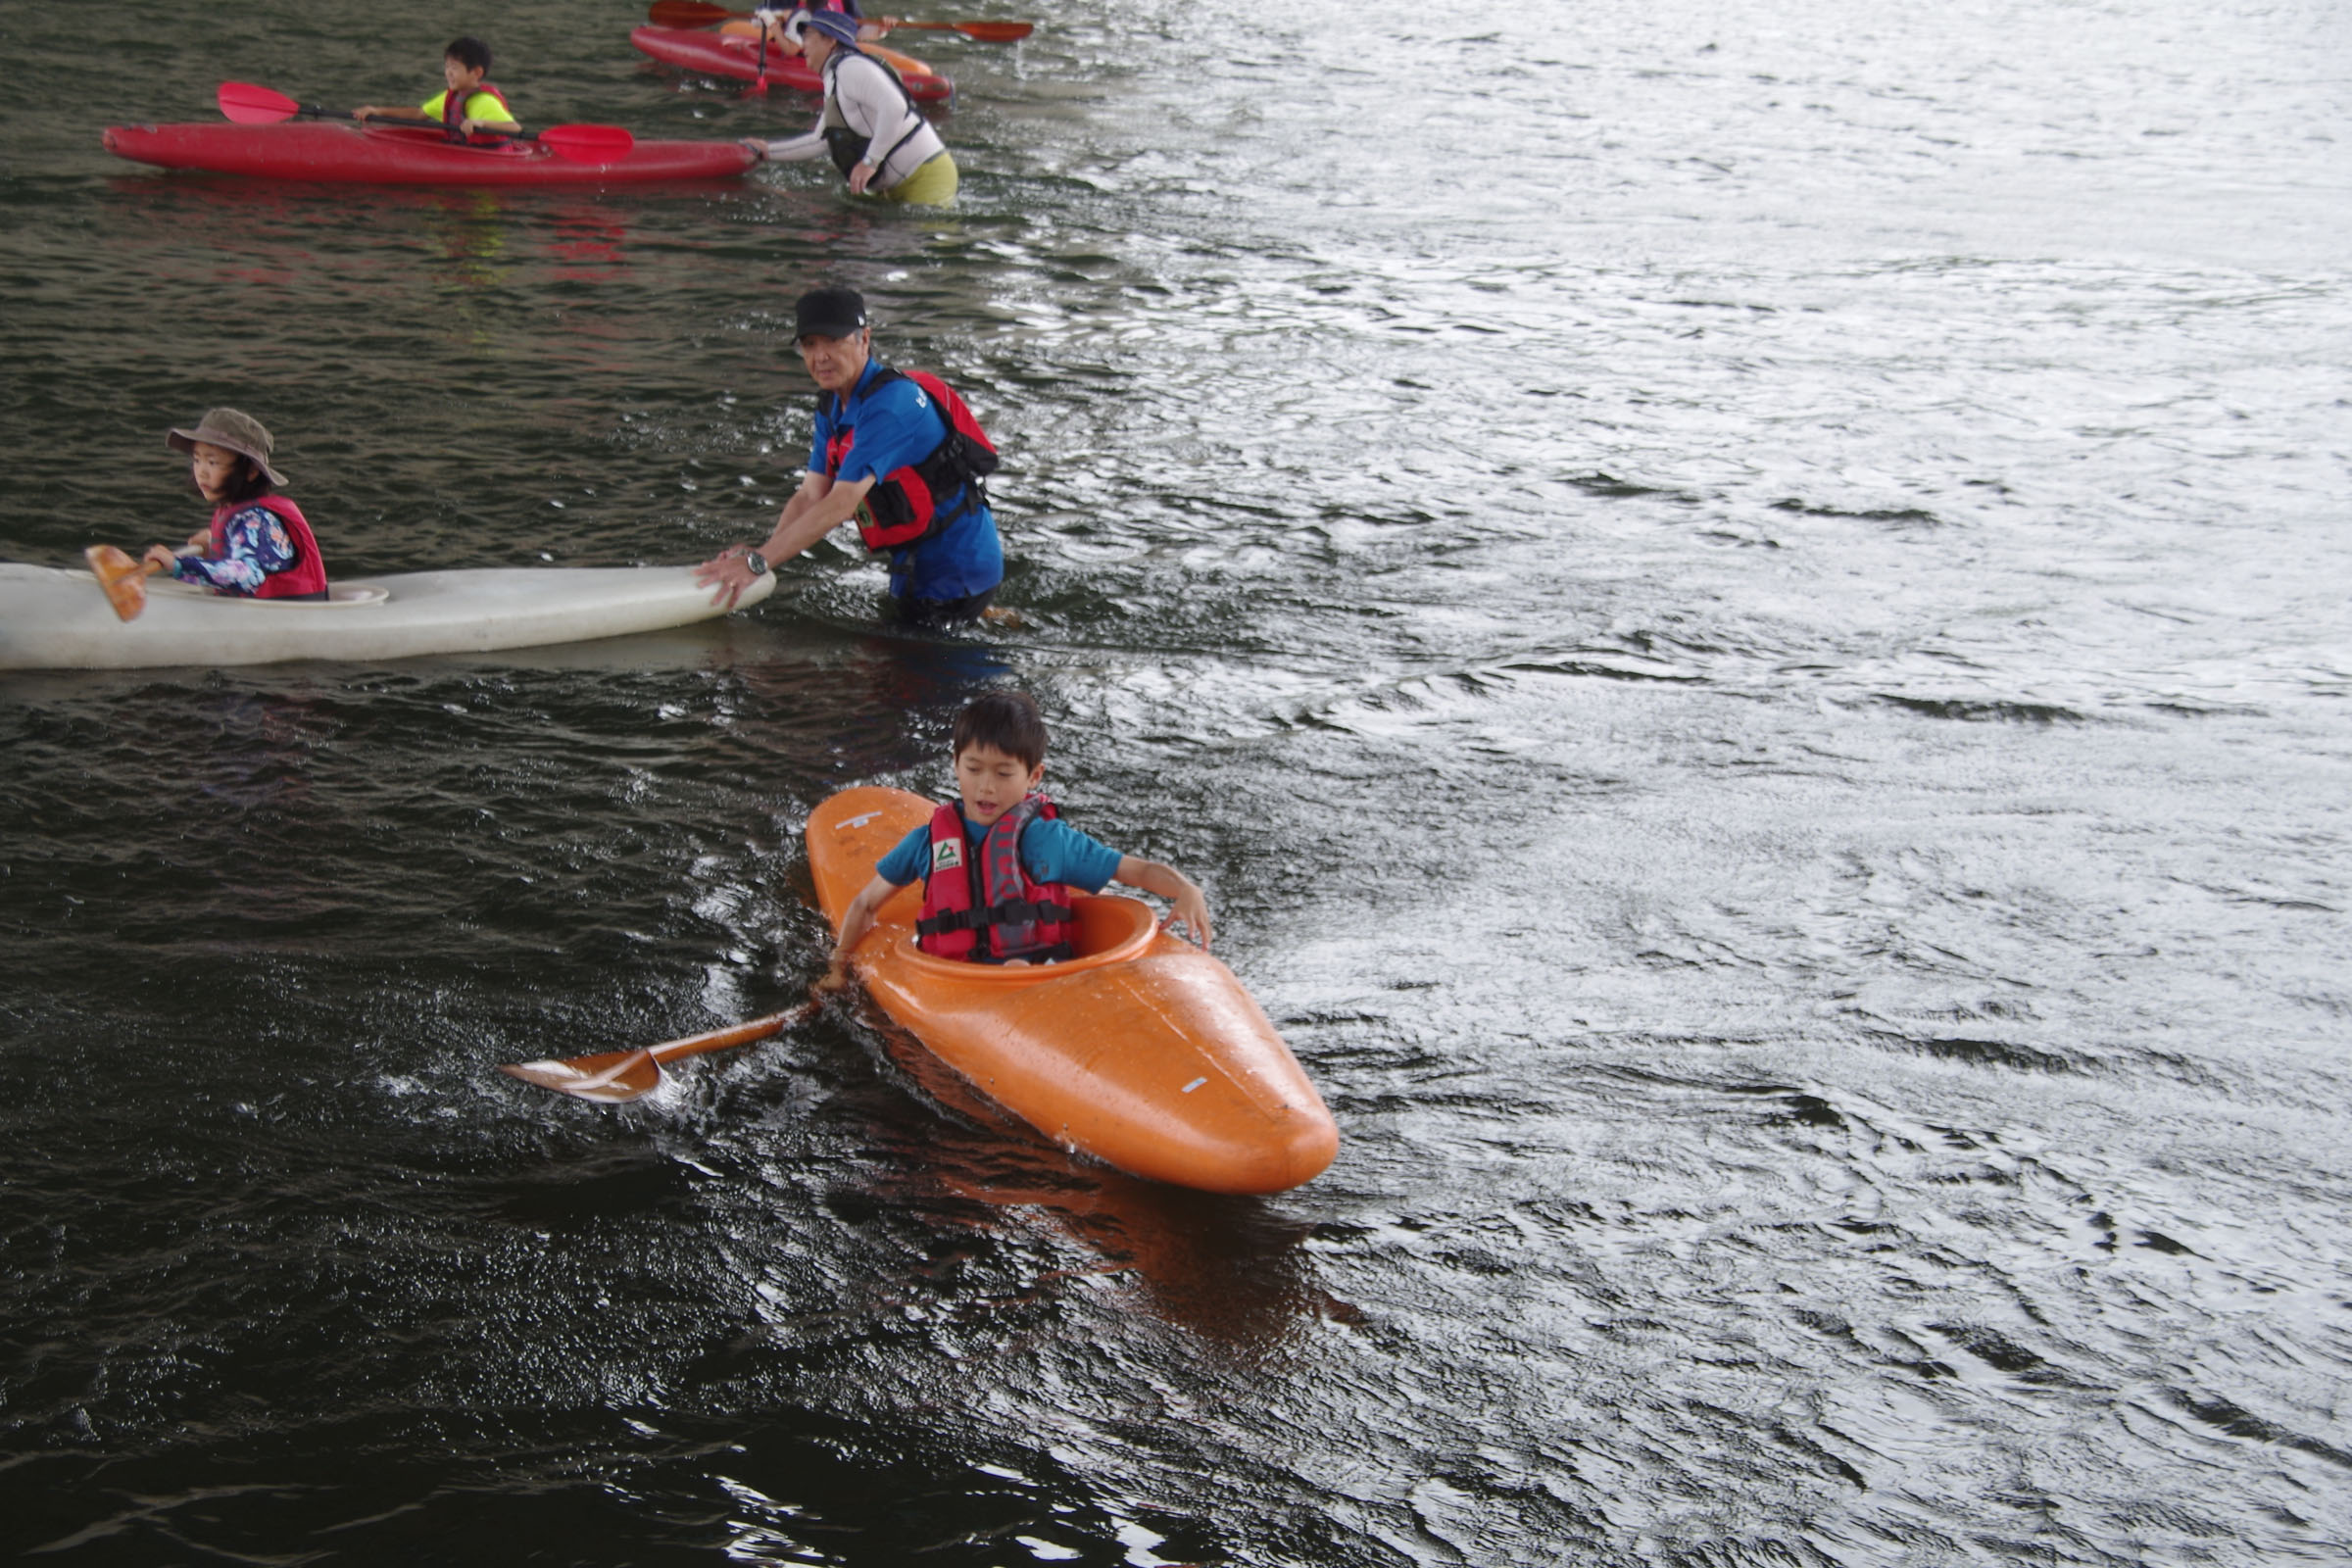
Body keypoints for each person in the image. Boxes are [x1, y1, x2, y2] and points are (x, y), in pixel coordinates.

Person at [831, 693, 1213, 969]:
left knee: (1019, 968)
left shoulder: (1047, 840)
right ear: (955, 764)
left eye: (1003, 773)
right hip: (952, 980)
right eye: (973, 768)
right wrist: (838, 966)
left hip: (1036, 976)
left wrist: (1185, 889)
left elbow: (1136, 870)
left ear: (1033, 776)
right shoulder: (927, 843)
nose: (986, 787)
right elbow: (866, 903)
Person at [698, 285, 1004, 626]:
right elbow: (811, 495)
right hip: (918, 560)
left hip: (957, 568)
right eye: (809, 344)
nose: (820, 356)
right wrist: (760, 555)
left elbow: (842, 502)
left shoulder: (890, 406)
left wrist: (758, 563)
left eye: (833, 341)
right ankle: (990, 616)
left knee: (892, 674)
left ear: (864, 339)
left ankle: (981, 617)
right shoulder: (833, 405)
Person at [736, 10, 957, 205]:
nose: (803, 43)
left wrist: (870, 161)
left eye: (808, 36)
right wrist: (766, 151)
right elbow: (821, 141)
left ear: (830, 41)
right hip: (896, 187)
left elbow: (895, 107)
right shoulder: (834, 77)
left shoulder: (850, 67)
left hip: (926, 176)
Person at [142, 409, 328, 601]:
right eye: (197, 460)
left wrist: (180, 565)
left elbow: (247, 575)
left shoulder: (257, 520)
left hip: (288, 617)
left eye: (213, 462)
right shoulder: (236, 513)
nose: (201, 472)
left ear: (251, 471)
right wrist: (211, 551)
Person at [353, 37, 520, 143]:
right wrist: (376, 111)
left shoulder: (484, 102)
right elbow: (419, 114)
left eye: (454, 68)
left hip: (487, 157)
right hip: (460, 149)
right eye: (447, 66)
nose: (448, 73)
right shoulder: (450, 96)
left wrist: (481, 122)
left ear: (476, 72)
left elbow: (515, 128)